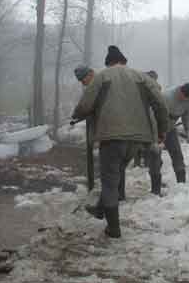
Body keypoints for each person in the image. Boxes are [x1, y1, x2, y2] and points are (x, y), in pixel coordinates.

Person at [72, 45, 168, 238]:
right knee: (115, 175)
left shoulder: (103, 76)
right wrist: (162, 130)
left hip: (111, 137)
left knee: (109, 180)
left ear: (108, 63)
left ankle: (113, 228)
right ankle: (100, 209)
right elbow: (160, 103)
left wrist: (76, 116)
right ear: (124, 61)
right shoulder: (142, 77)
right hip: (137, 140)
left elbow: (85, 105)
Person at [162, 82, 189, 183]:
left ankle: (181, 183)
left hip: (170, 128)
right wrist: (158, 136)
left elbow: (186, 116)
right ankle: (156, 188)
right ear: (181, 92)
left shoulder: (188, 100)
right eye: (187, 98)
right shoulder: (166, 97)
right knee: (155, 156)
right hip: (157, 127)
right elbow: (155, 116)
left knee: (177, 153)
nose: (187, 100)